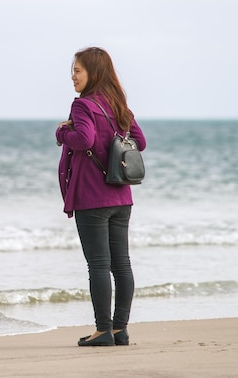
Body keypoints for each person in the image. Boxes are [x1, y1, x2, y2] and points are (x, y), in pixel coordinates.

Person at [55, 47, 146, 346]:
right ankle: (120, 329)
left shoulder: (83, 106)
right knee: (121, 264)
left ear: (93, 72)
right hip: (121, 196)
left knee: (97, 264)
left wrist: (61, 133)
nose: (72, 76)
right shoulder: (118, 104)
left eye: (77, 70)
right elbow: (140, 142)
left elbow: (84, 140)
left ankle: (102, 330)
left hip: (92, 196)